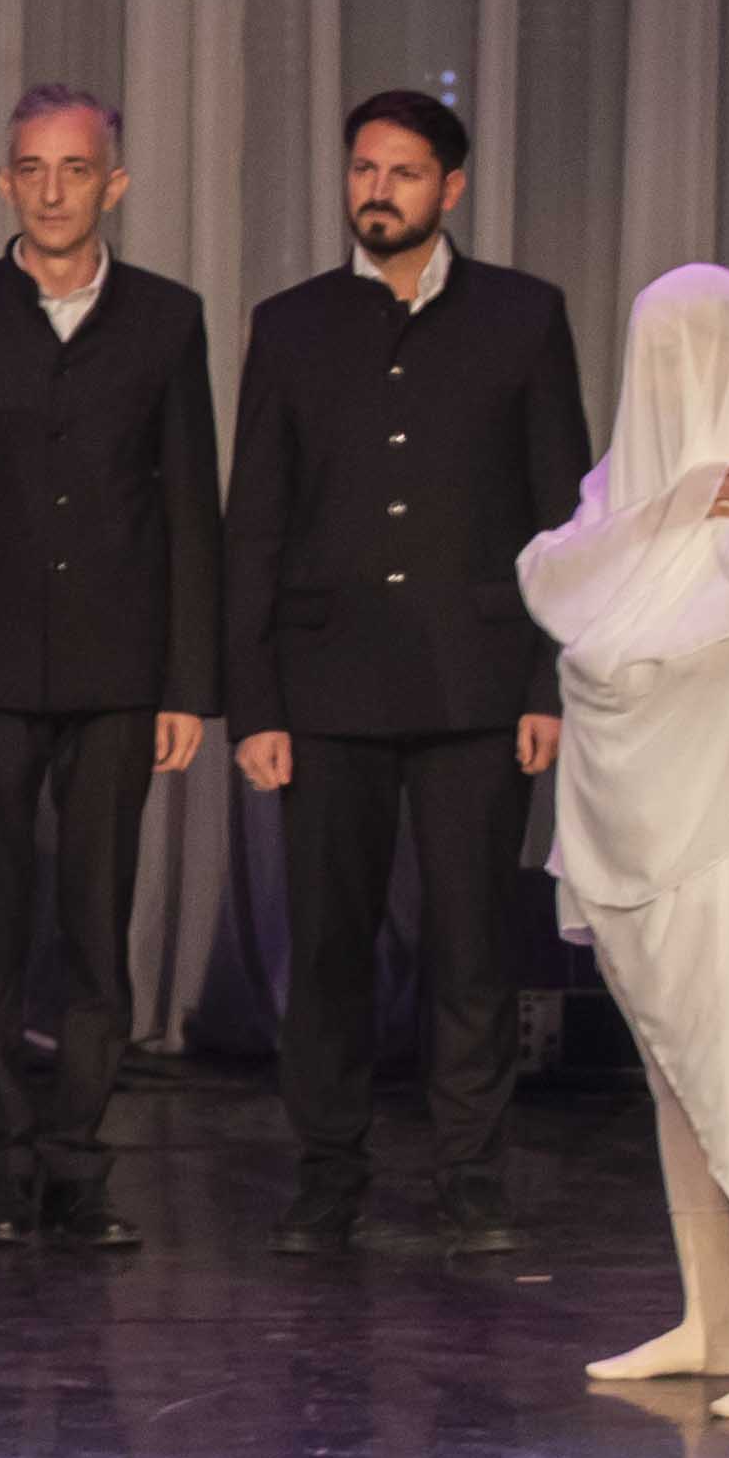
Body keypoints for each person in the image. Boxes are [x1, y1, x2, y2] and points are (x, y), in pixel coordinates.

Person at [224, 90, 593, 1252]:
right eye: (364, 169)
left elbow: (564, 517)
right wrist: (255, 703)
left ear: (452, 187)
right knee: (329, 946)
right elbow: (255, 524)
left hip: (475, 682)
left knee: (473, 944)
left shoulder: (523, 317)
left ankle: (470, 1175)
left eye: (404, 172)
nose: (377, 191)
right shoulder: (291, 324)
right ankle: (328, 1173)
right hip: (325, 685)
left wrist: (547, 685)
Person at [0, 92, 220, 1246]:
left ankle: (76, 1162)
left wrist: (187, 682)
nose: (53, 189)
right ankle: (0, 1168)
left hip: (118, 670)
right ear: (5, 182)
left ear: (112, 183)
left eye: (76, 168)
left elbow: (190, 502)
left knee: (95, 923)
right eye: (33, 167)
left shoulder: (167, 318)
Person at [529, 269, 729, 1421]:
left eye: (696, 350)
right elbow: (554, 584)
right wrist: (662, 517)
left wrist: (633, 639)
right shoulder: (620, 495)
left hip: (724, 825)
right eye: (655, 351)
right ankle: (711, 1315)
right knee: (670, 1066)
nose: (673, 375)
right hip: (628, 826)